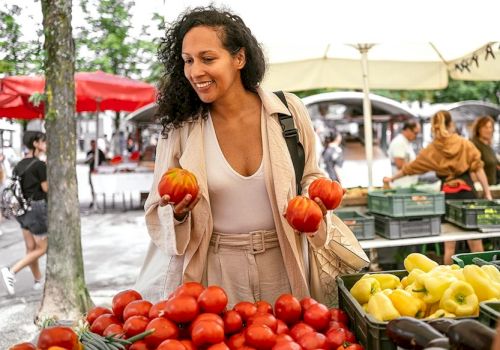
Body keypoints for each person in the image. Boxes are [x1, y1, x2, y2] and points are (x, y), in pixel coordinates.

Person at [135, 6, 337, 307]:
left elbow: (311, 174)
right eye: (188, 61)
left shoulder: (288, 111)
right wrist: (177, 212)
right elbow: (156, 208)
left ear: (239, 58)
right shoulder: (181, 127)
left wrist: (314, 200)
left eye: (208, 58)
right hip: (215, 269)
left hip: (284, 259)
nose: (195, 71)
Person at [384, 110, 491, 264]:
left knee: (449, 247)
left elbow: (411, 168)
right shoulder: (464, 144)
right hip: (468, 195)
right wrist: (487, 193)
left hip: (447, 196)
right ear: (451, 124)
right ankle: (484, 277)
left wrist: (392, 178)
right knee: (475, 242)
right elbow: (478, 168)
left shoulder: (433, 149)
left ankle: (448, 280)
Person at [1, 131, 48, 295]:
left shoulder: (19, 164)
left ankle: (37, 281)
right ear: (35, 143)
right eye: (43, 141)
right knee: (43, 248)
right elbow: (46, 189)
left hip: (21, 211)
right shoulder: (40, 165)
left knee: (31, 247)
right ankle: (12, 271)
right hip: (36, 209)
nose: (46, 144)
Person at [387, 120, 421, 187]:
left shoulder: (406, 143)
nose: (416, 136)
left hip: (408, 183)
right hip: (402, 184)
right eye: (415, 133)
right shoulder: (399, 142)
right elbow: (400, 165)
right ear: (408, 130)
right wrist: (418, 166)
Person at [471, 115, 499, 186]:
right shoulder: (474, 144)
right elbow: (472, 170)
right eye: (485, 127)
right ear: (478, 129)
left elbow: (495, 164)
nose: (489, 130)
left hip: (492, 186)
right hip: (482, 189)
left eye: (490, 127)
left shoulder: (488, 146)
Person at [85, 140, 106, 209]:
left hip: (99, 172)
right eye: (92, 145)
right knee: (92, 186)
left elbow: (104, 161)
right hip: (91, 171)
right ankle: (94, 200)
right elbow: (86, 162)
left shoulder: (100, 152)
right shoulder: (89, 153)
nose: (93, 146)